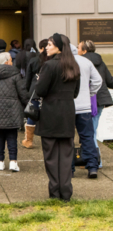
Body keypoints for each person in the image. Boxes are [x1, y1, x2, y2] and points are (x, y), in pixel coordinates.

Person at [35, 34, 80, 201]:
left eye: (50, 44)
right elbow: (75, 93)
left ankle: (55, 192)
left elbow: (40, 91)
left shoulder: (49, 66)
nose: (47, 47)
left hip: (50, 113)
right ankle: (66, 192)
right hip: (67, 113)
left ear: (59, 47)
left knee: (51, 156)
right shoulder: (73, 66)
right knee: (66, 156)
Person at [0, 52, 29, 172]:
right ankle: (13, 162)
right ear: (7, 61)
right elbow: (22, 92)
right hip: (12, 108)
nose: (12, 62)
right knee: (12, 135)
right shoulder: (15, 73)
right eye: (10, 60)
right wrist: (26, 105)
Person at [78, 40, 113, 168]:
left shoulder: (81, 62)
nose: (77, 50)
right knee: (91, 129)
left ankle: (96, 161)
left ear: (85, 50)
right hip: (101, 100)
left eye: (79, 48)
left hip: (86, 99)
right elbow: (110, 82)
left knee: (90, 131)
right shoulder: (101, 62)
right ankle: (88, 157)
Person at [70, 43, 102, 178]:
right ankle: (92, 166)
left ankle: (69, 167)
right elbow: (97, 80)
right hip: (84, 106)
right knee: (87, 137)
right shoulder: (86, 62)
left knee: (67, 138)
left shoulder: (62, 63)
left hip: (67, 106)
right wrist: (90, 93)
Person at [22, 39, 49, 149]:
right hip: (48, 92)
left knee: (32, 115)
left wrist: (28, 91)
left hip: (35, 91)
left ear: (41, 48)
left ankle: (29, 141)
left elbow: (28, 79)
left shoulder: (34, 60)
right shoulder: (53, 60)